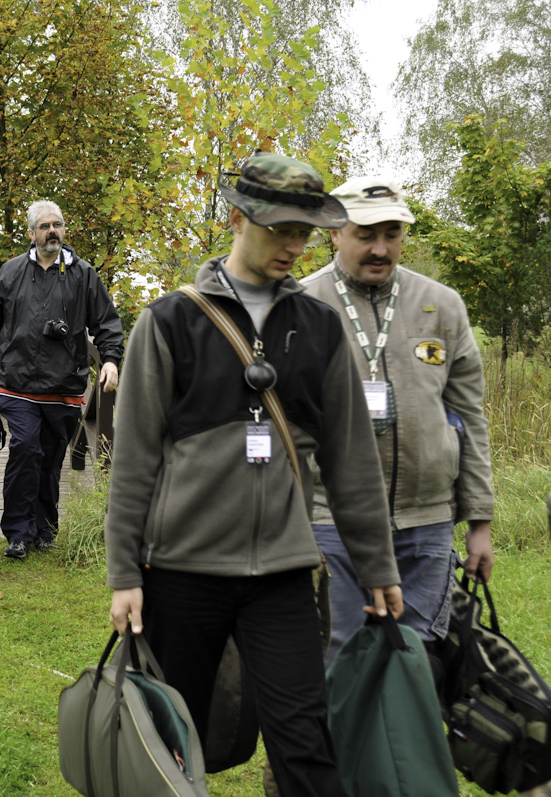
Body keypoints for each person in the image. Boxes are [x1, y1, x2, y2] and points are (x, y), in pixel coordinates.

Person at [105, 151, 404, 797]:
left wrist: (378, 566)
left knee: (305, 742)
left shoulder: (320, 327)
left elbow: (353, 461)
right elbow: (133, 462)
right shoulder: (168, 323)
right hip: (181, 572)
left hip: (284, 575)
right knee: (168, 744)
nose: (295, 245)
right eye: (281, 229)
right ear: (237, 218)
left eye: (305, 231)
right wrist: (125, 572)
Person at [300, 176, 495, 670]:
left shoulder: (443, 305)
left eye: (392, 233)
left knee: (419, 657)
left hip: (425, 520)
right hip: (330, 520)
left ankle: (407, 748)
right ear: (335, 232)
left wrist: (480, 521)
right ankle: (341, 750)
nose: (381, 248)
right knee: (340, 655)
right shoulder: (300, 306)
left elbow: (469, 414)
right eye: (366, 234)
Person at [0, 200, 124, 560]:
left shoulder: (83, 274)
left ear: (64, 230)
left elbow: (106, 323)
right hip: (15, 383)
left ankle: (45, 529)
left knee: (51, 459)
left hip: (64, 386)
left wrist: (111, 360)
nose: (52, 231)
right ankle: (18, 533)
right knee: (25, 449)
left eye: (58, 224)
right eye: (45, 226)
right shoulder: (11, 272)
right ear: (31, 233)